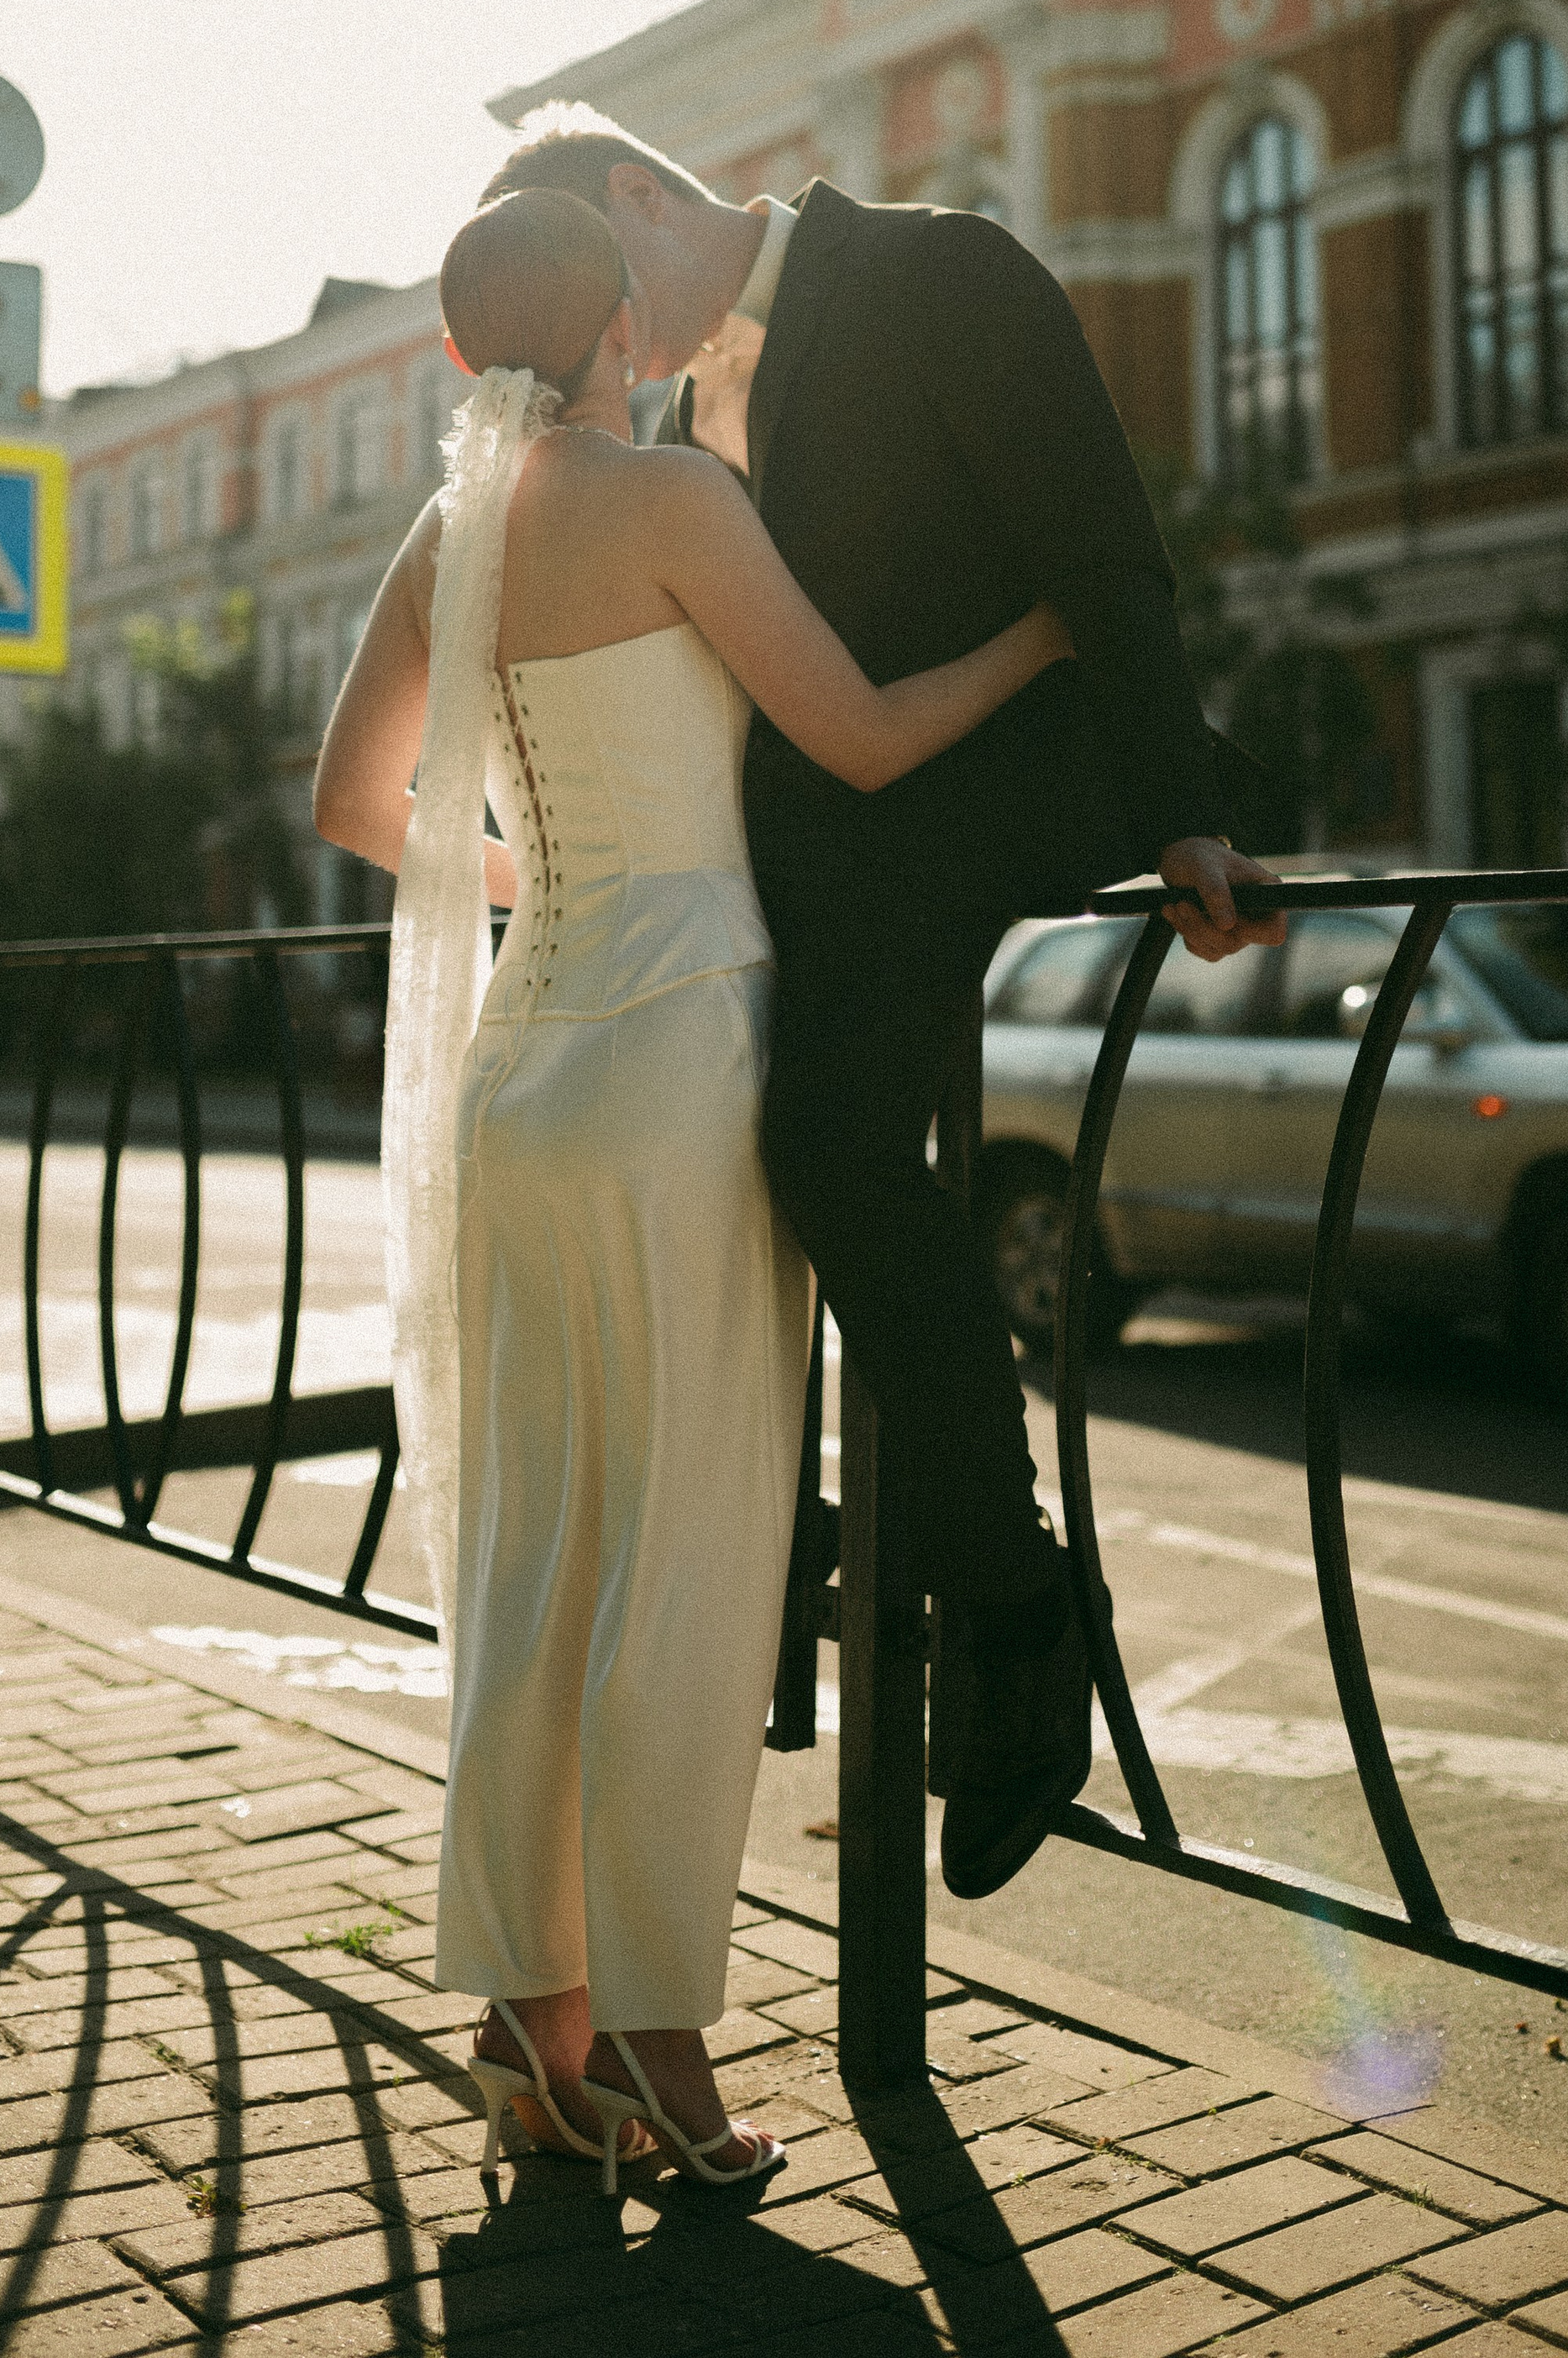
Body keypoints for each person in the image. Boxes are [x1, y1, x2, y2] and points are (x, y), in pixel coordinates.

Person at [314, 186, 1078, 2191]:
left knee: (533, 1552)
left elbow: (347, 802)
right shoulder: (668, 503)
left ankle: (523, 2024)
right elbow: (868, 734)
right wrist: (1050, 625)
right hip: (679, 1058)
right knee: (689, 1559)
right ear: (622, 325)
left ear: (470, 357)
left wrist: (537, 897)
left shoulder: (446, 535)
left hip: (524, 1070)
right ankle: (659, 2046)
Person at [476, 107, 1285, 1901]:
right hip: (833, 847)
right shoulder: (679, 411)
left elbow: (1103, 547)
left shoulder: (934, 268)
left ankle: (1005, 1612)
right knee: (757, 1155)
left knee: (825, 1143)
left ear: (637, 197)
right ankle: (807, 1585)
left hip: (1011, 787)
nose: (599, 350)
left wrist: (1182, 819)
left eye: (595, 292)